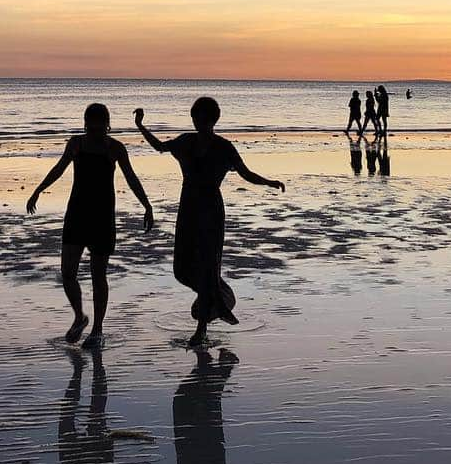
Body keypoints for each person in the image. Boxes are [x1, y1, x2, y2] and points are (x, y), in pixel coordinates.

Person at [134, 97, 284, 349]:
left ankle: (201, 329)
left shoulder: (224, 147)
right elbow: (160, 147)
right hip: (188, 208)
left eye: (203, 117)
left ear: (213, 119)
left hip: (211, 210)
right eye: (195, 117)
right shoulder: (185, 142)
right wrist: (140, 126)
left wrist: (268, 182)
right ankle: (220, 299)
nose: (198, 121)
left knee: (207, 266)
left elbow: (245, 173)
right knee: (181, 269)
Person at [27, 103, 153, 348]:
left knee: (98, 276)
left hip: (103, 217)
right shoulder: (76, 144)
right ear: (85, 123)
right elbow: (59, 168)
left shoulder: (115, 148)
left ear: (107, 124)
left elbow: (131, 177)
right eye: (91, 124)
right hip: (77, 213)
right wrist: (38, 190)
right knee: (68, 274)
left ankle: (97, 329)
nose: (96, 129)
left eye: (100, 124)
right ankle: (79, 316)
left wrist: (147, 205)